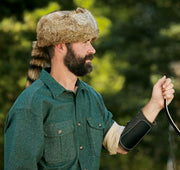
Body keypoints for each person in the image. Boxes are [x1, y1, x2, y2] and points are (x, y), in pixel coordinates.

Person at [4, 7, 175, 170]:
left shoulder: (91, 98)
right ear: (61, 46)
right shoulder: (30, 105)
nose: (92, 49)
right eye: (85, 41)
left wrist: (155, 104)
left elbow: (121, 144)